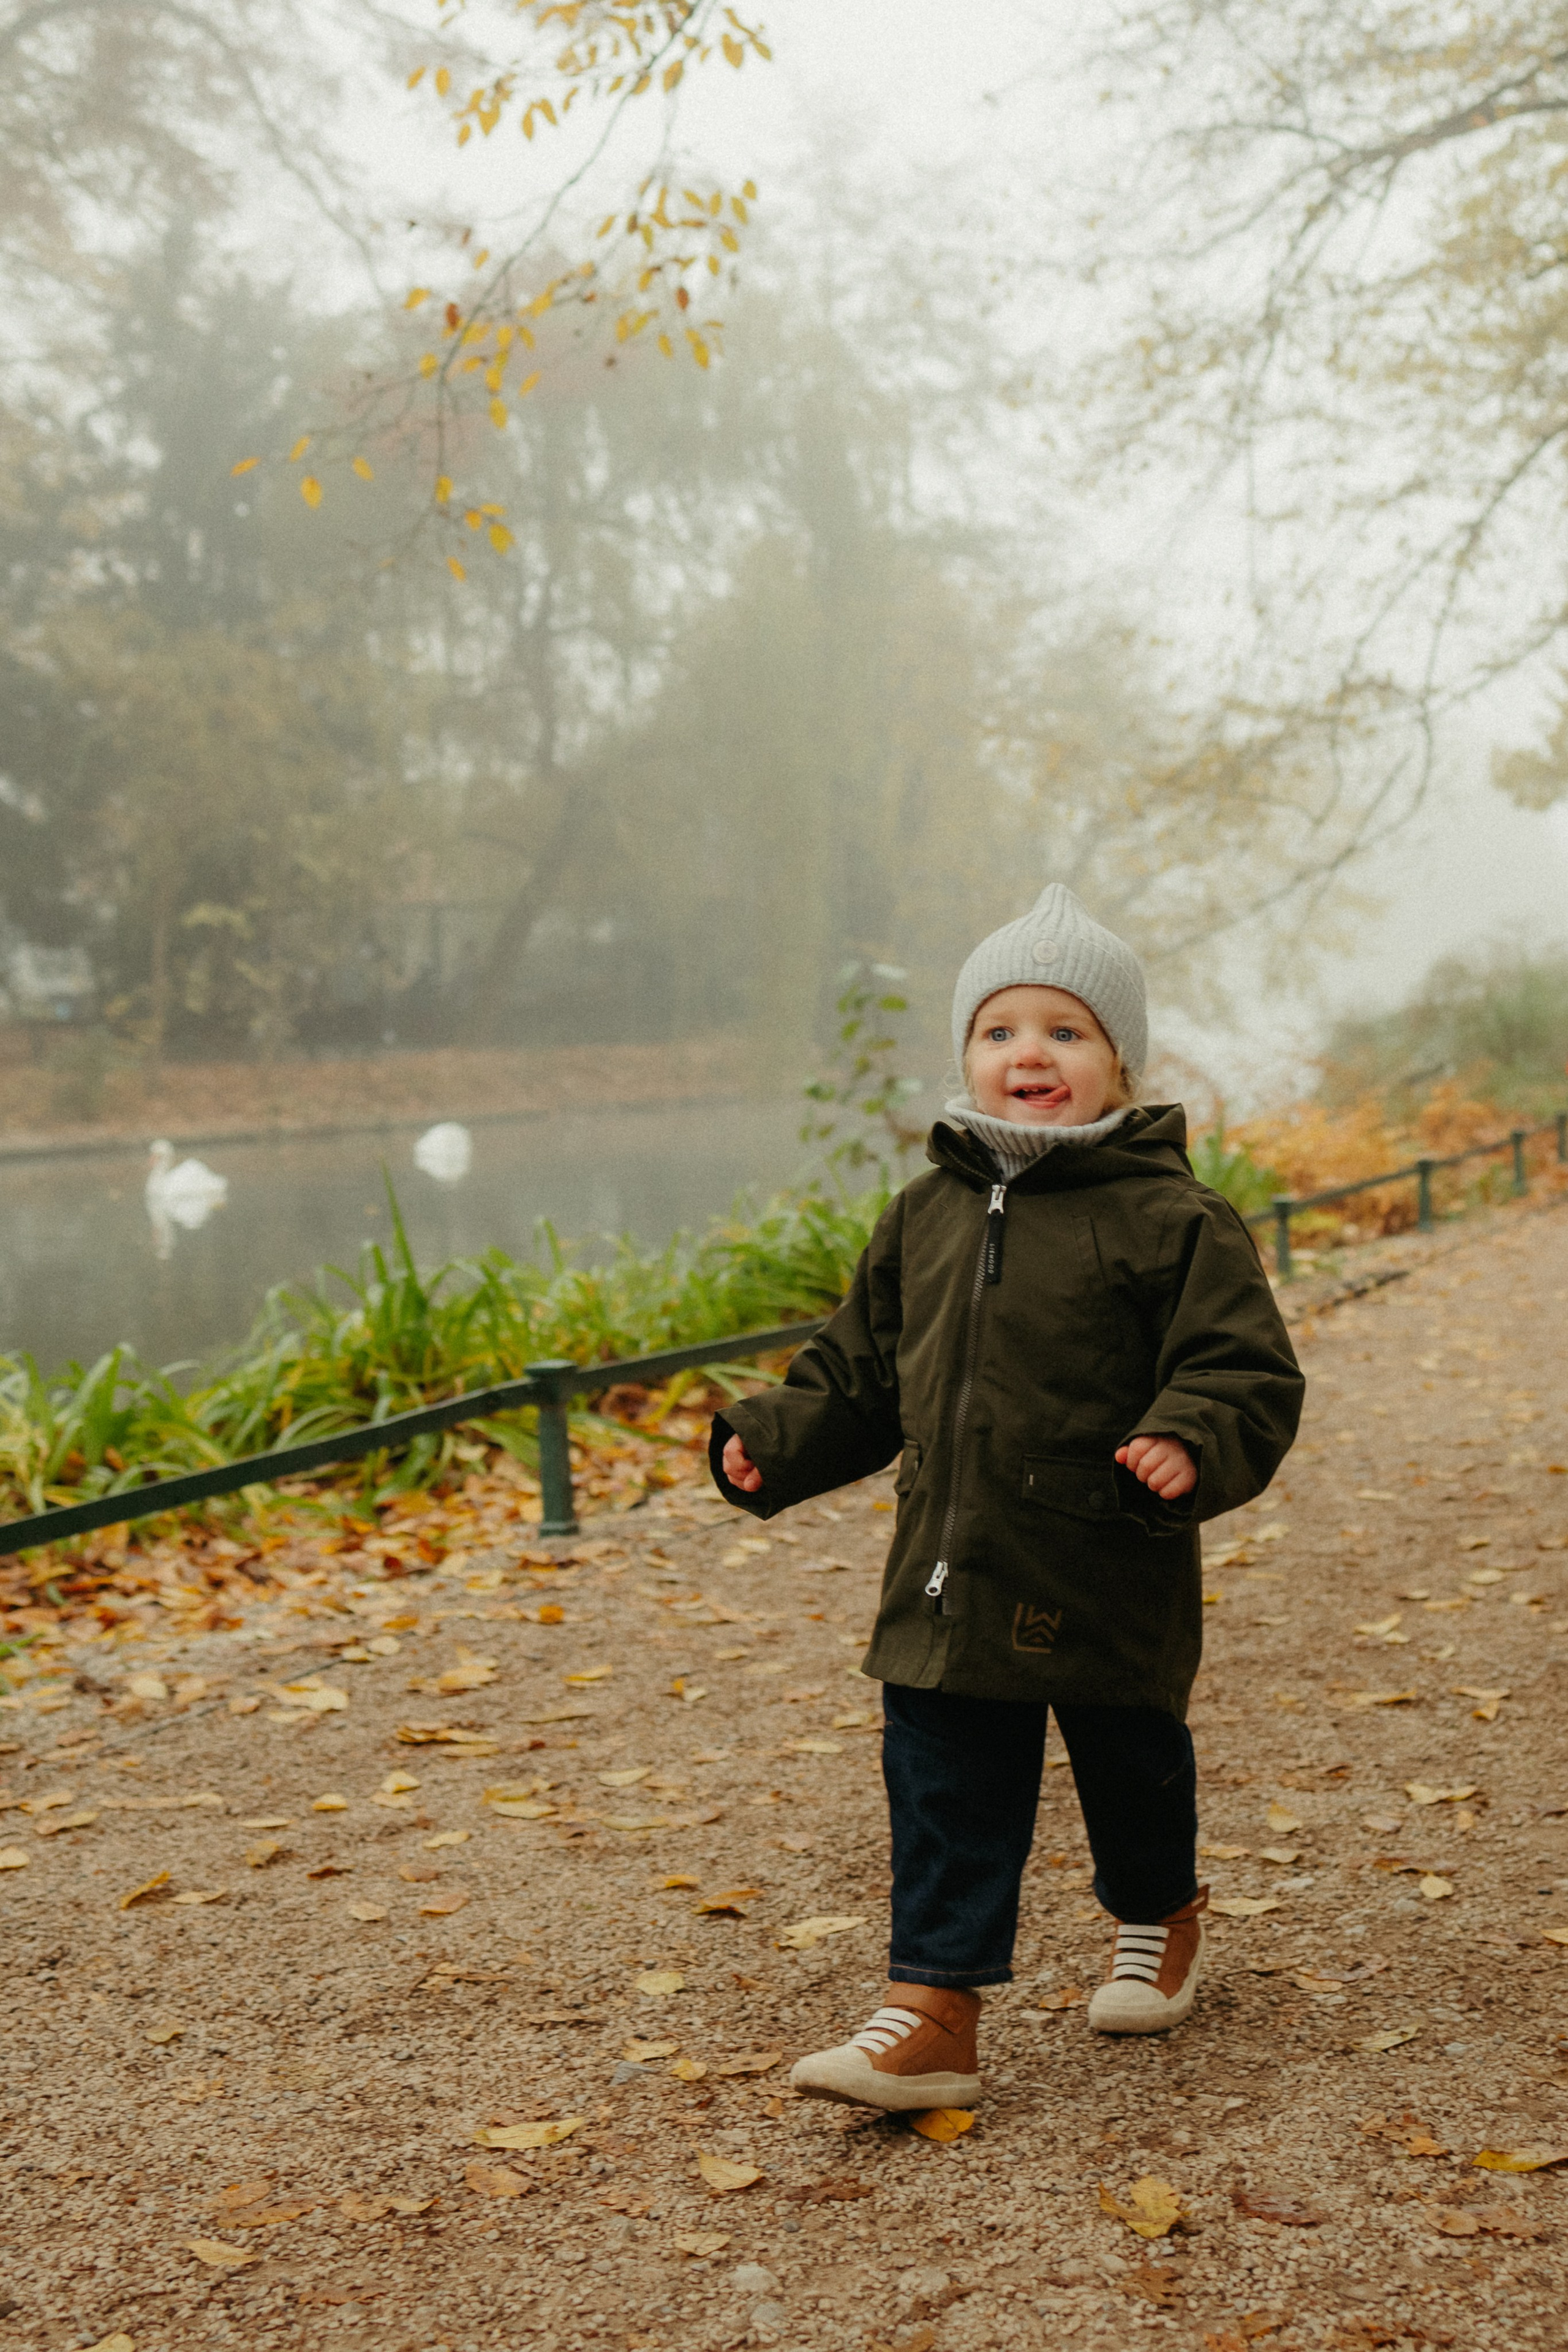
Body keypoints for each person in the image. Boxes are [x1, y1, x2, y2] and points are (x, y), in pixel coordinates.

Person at [709, 884, 1303, 2112]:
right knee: (941, 1780)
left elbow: (1238, 1367)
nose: (1027, 1053)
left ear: (1118, 1063)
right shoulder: (925, 1213)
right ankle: (931, 2010)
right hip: (948, 1565)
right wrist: (777, 1438)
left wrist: (1188, 1436)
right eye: (998, 1031)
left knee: (1128, 1767)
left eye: (1063, 1031)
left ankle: (1159, 1911)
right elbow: (859, 1369)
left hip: (1104, 1558)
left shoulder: (1171, 1220)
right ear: (967, 1055)